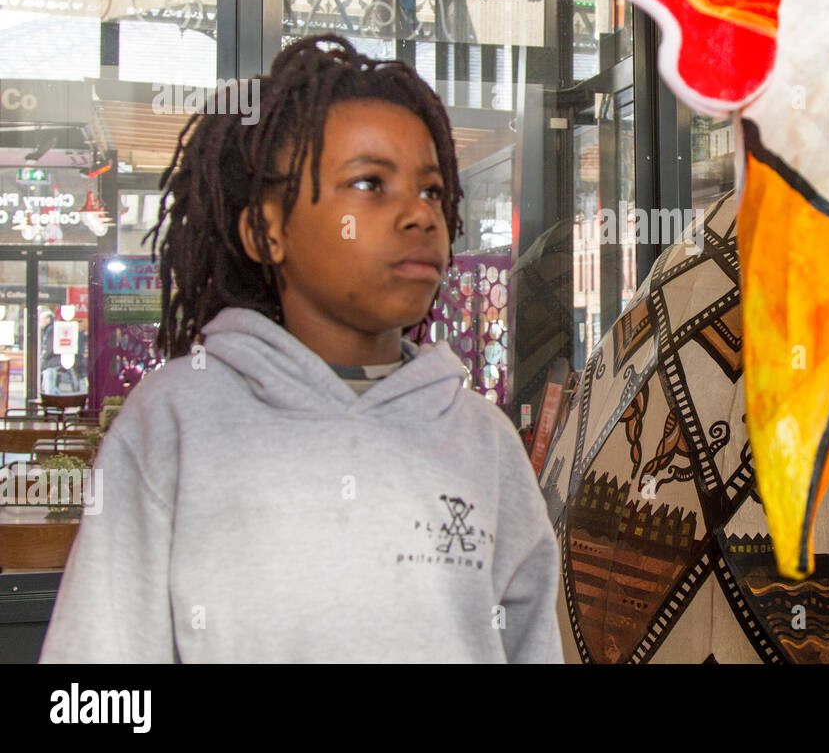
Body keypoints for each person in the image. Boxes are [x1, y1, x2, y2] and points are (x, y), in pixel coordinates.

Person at [40, 35, 563, 662]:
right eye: (370, 183)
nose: (421, 216)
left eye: (430, 191)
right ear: (266, 231)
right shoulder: (176, 422)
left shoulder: (484, 443)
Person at [38, 309, 60, 394]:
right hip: (52, 361)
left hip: (50, 362)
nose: (42, 322)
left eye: (43, 319)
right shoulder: (50, 328)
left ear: (48, 319)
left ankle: (53, 404)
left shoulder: (50, 330)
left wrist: (43, 356)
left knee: (49, 386)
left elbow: (48, 346)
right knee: (50, 385)